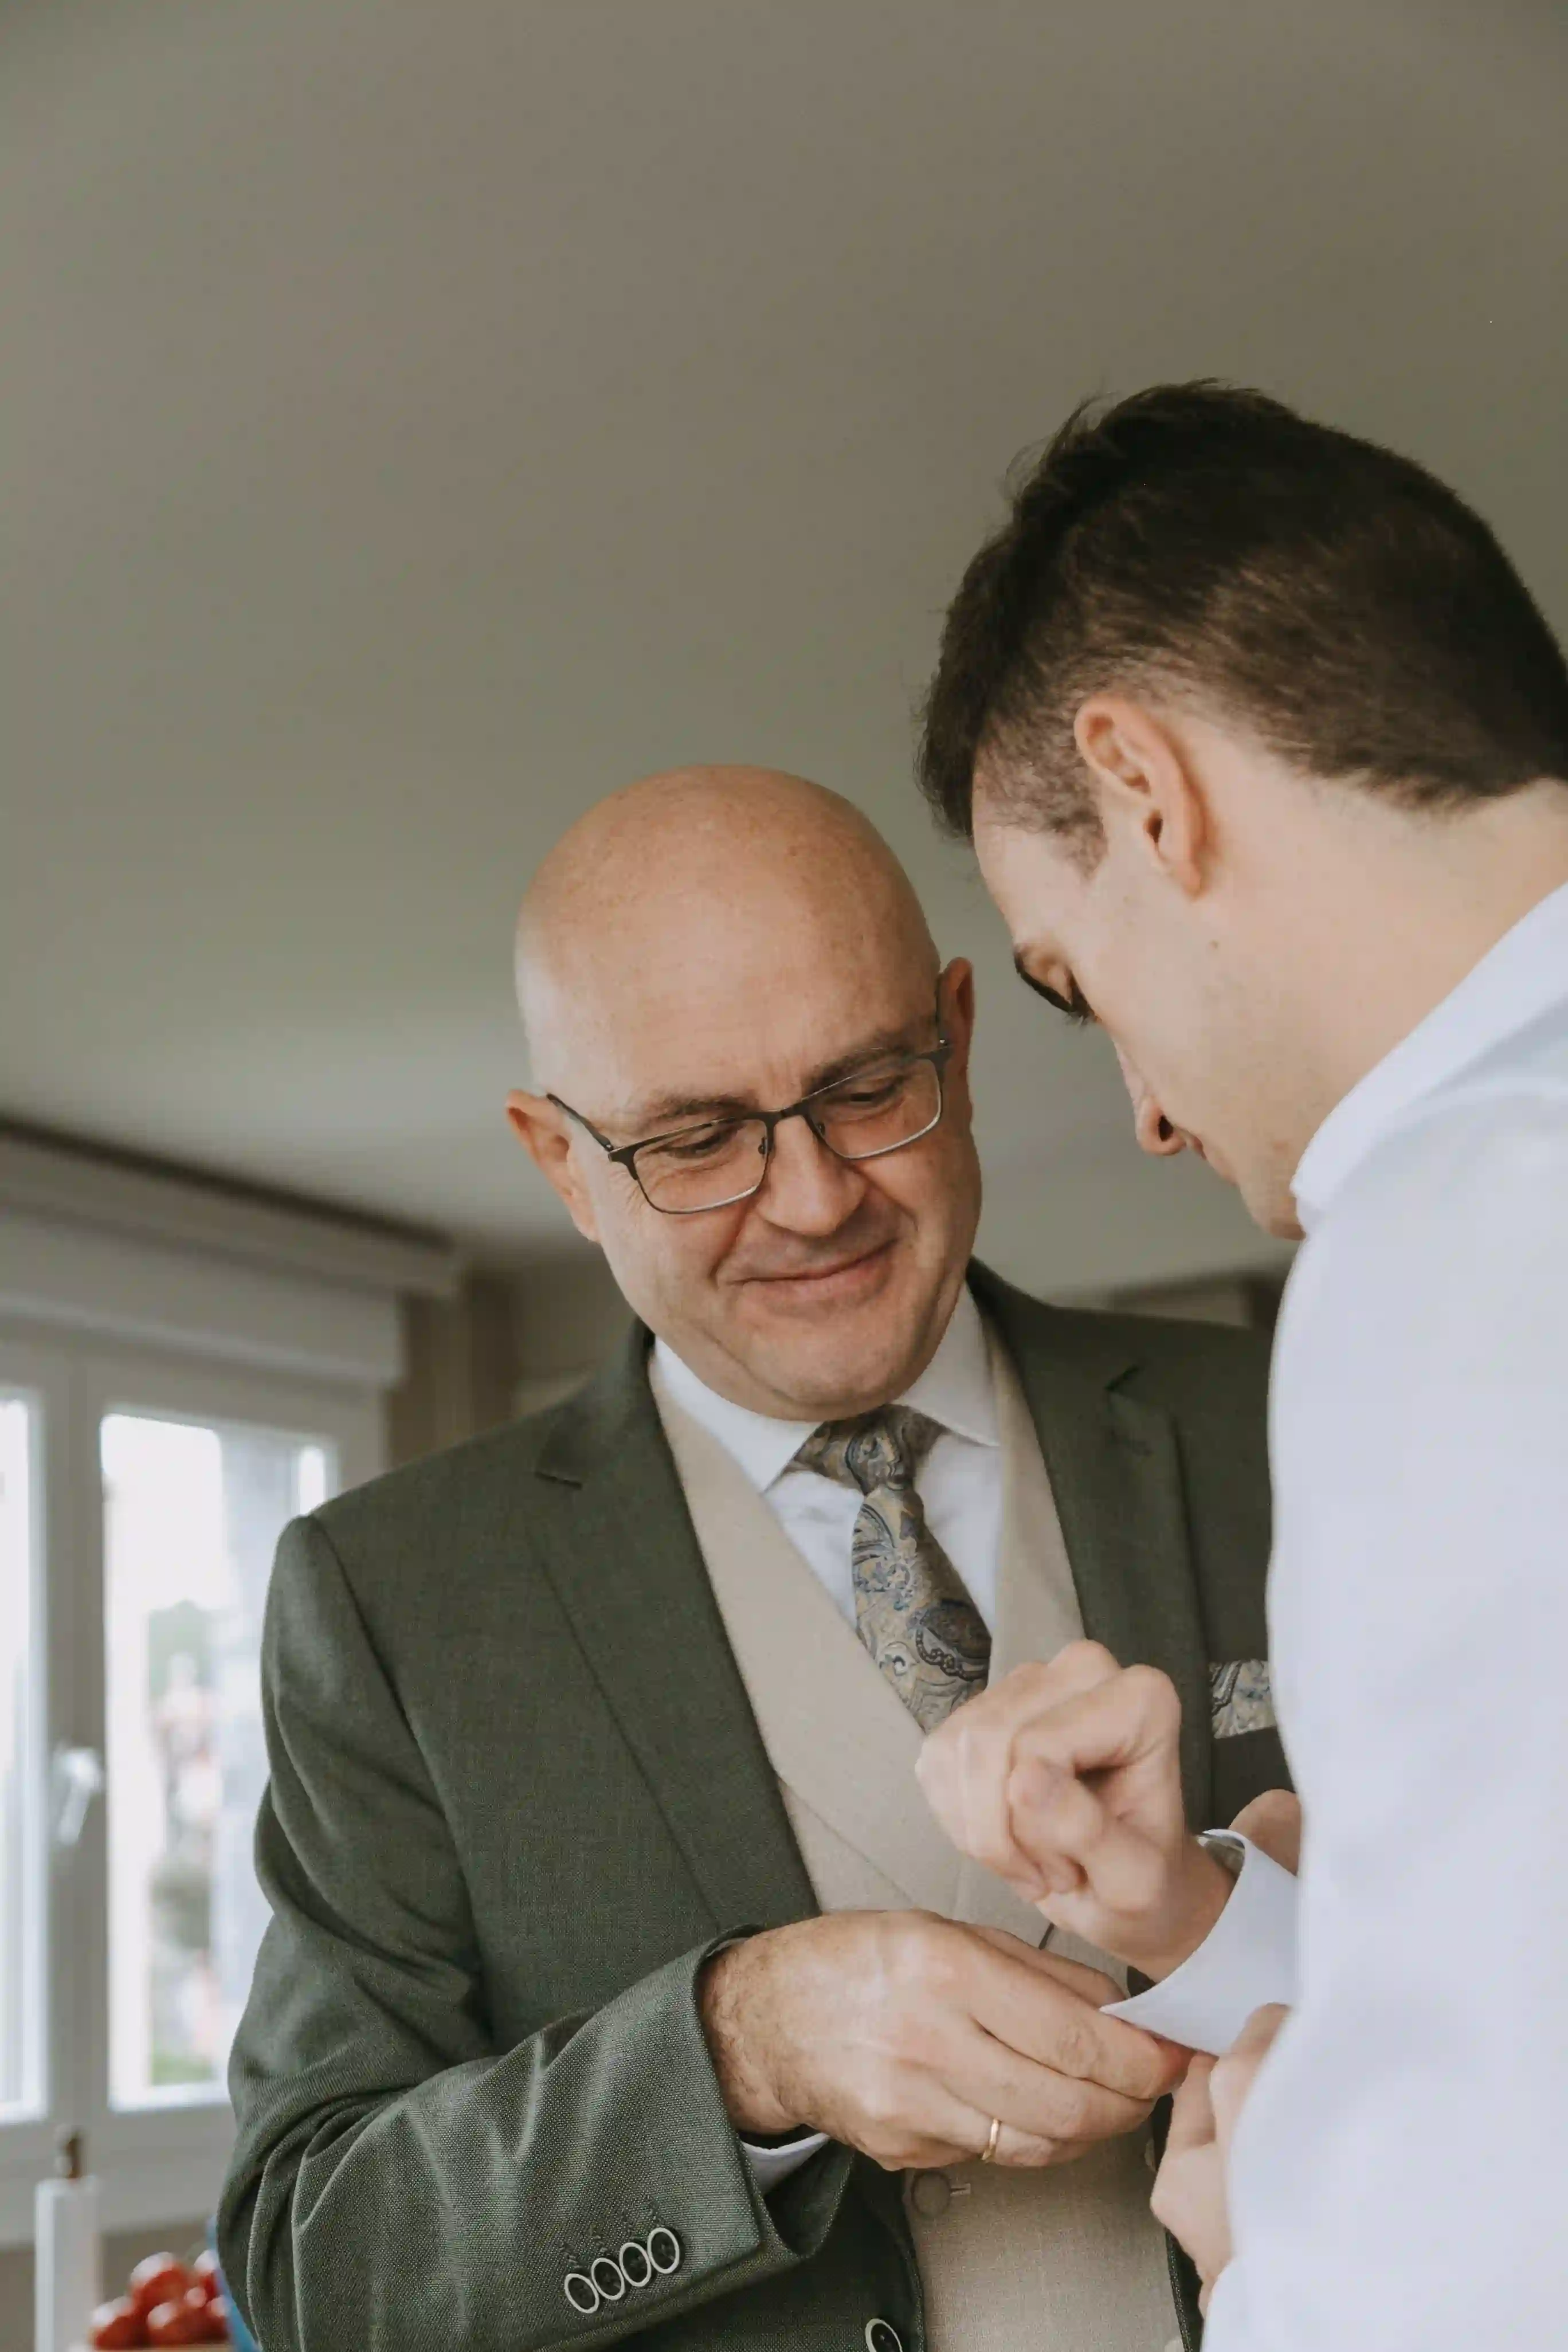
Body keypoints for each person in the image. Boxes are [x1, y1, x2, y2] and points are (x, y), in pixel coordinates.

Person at [219, 766, 1285, 2352]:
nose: (812, 1199)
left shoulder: (1283, 1420)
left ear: (961, 1039)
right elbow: (321, 2266)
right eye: (698, 1137)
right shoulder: (398, 1599)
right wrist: (738, 2052)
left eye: (866, 1087)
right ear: (561, 1161)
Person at [912, 383, 1568, 2346]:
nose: (1141, 1114)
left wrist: (1269, 2254)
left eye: (1068, 973)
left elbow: (1486, 2230)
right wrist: (1202, 1930)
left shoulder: (1464, 1221)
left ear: (1142, 787)